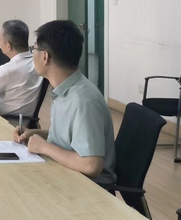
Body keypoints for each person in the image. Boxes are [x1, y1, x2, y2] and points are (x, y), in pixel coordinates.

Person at [13, 20, 116, 185]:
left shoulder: (83, 102)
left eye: (34, 49)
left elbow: (91, 165)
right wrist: (34, 134)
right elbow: (69, 139)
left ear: (45, 57)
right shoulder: (63, 90)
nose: (32, 55)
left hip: (86, 188)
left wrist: (44, 147)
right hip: (63, 173)